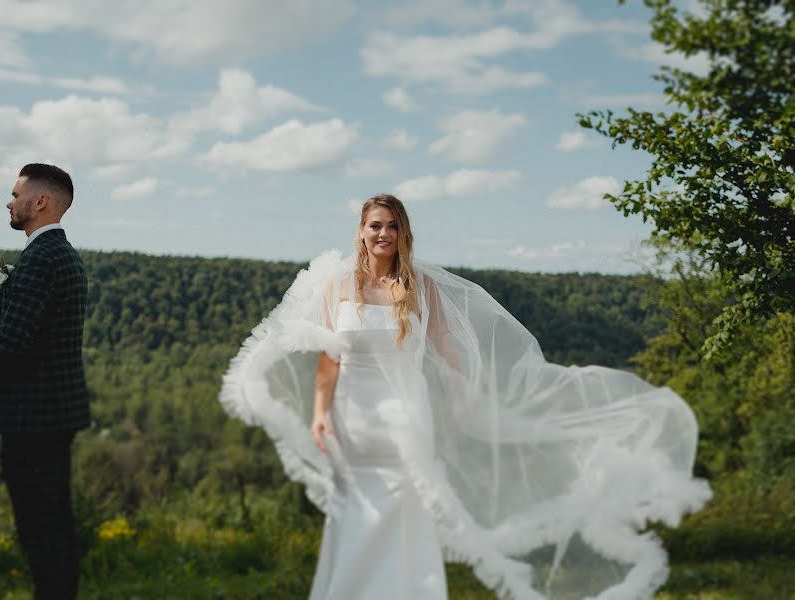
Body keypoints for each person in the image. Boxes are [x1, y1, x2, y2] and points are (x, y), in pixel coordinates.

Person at [220, 194, 711, 600]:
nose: (382, 234)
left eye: (392, 226)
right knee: (353, 509)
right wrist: (320, 412)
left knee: (407, 509)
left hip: (404, 416)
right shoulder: (337, 285)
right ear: (362, 230)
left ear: (403, 233)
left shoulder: (420, 287)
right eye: (375, 225)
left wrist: (465, 403)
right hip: (352, 417)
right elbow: (329, 358)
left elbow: (448, 356)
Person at [0, 163, 89, 600]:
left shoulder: (42, 258)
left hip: (33, 419)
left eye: (15, 194)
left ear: (40, 201)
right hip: (50, 415)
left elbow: (13, 339)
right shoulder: (59, 255)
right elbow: (31, 338)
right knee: (52, 524)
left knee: (40, 527)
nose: (9, 202)